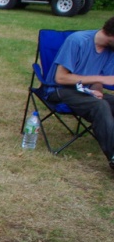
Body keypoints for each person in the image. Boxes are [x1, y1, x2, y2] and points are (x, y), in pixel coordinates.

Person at [46, 16, 114, 170]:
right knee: (100, 106)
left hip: (85, 92)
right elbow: (60, 77)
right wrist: (100, 79)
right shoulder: (77, 41)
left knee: (104, 102)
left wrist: (97, 90)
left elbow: (99, 78)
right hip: (59, 90)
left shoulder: (110, 51)